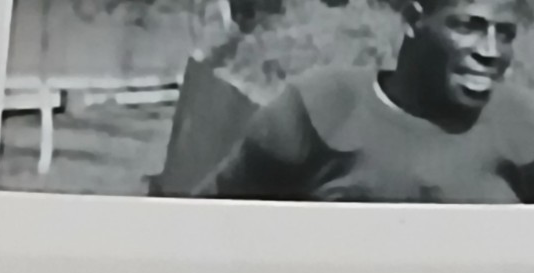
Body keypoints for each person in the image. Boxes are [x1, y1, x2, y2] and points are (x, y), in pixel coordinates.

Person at [193, 0, 534, 202]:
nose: (491, 52)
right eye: (467, 27)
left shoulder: (523, 126)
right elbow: (206, 229)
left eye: (504, 34)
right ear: (414, 20)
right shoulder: (317, 112)